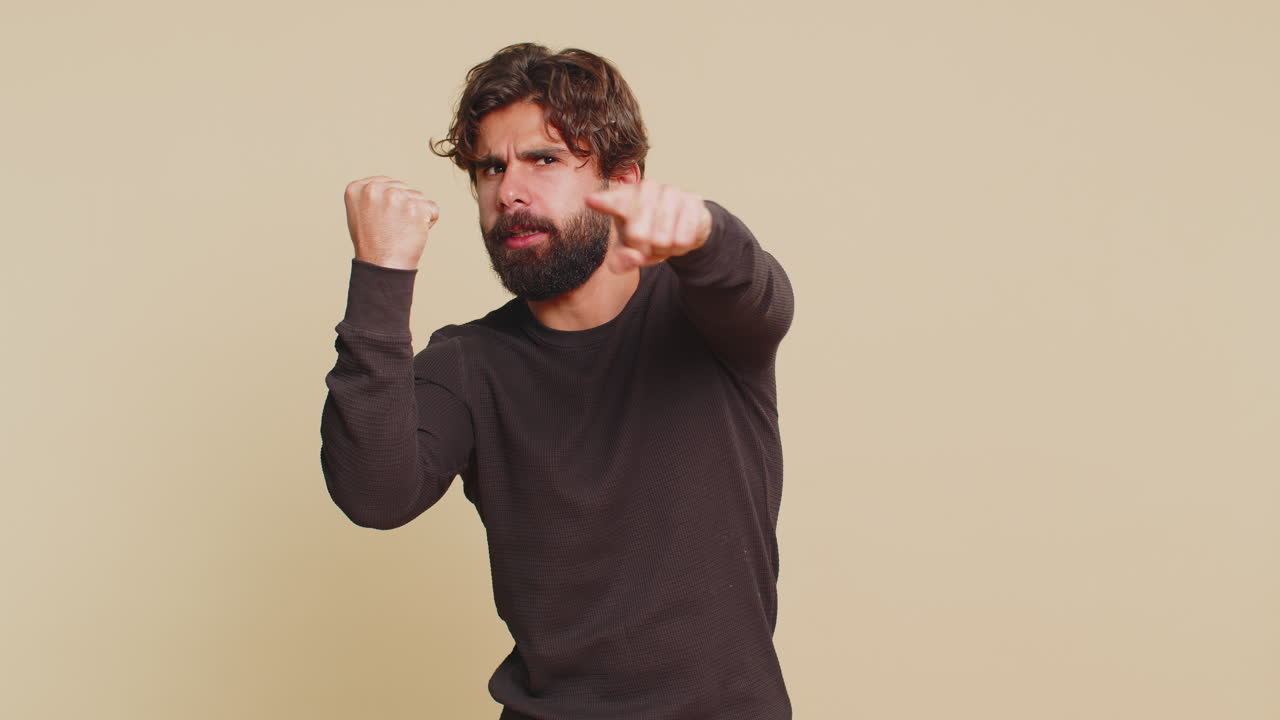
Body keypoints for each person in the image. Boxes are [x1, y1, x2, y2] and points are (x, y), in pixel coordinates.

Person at [320, 42, 795, 719]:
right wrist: (381, 277)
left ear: (623, 181)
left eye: (543, 159)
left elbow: (760, 294)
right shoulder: (468, 363)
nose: (508, 190)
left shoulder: (703, 316)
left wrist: (705, 231)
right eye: (489, 167)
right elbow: (373, 493)